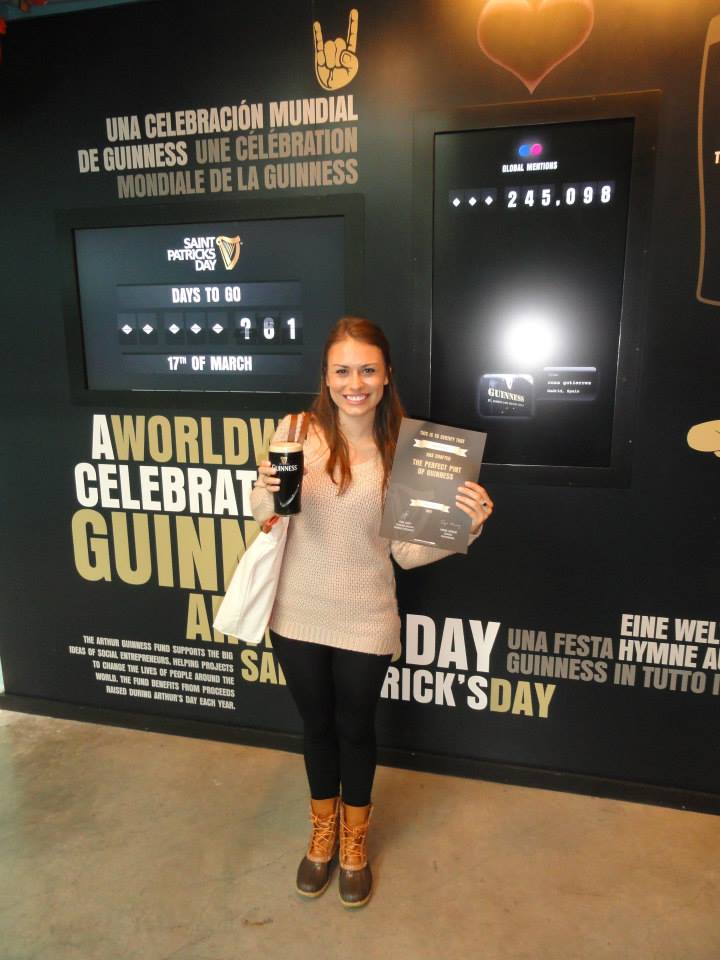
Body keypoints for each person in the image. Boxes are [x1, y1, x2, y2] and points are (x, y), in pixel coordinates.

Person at [250, 317, 493, 908]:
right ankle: (322, 833)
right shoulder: (296, 429)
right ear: (326, 377)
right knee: (316, 728)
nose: (353, 382)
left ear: (385, 377)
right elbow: (265, 511)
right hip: (297, 609)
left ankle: (354, 841)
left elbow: (408, 553)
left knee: (355, 729)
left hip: (366, 614)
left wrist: (468, 525)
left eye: (366, 369)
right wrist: (262, 495)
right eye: (342, 370)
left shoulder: (408, 450)